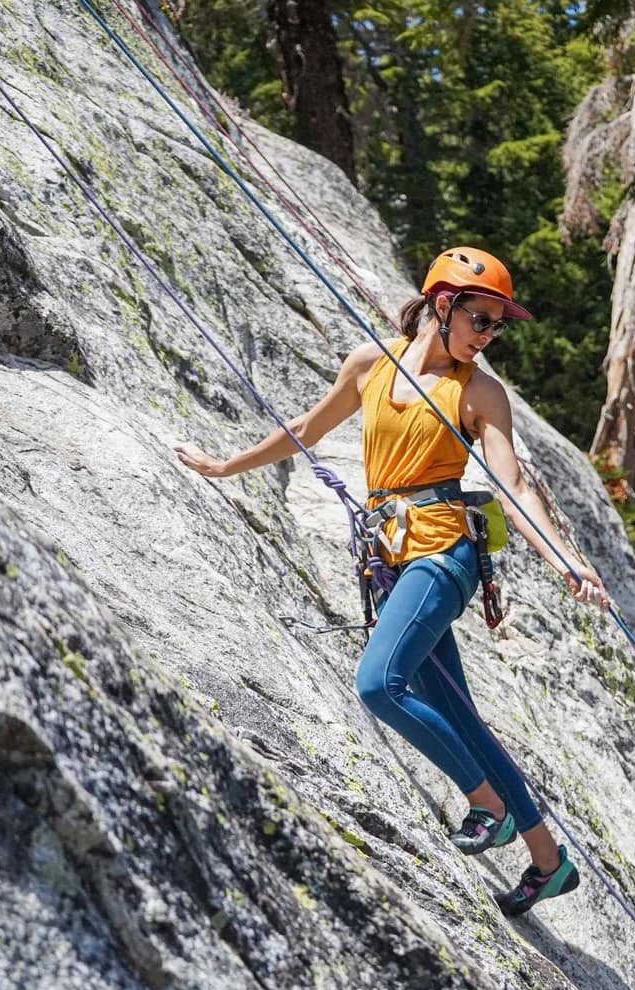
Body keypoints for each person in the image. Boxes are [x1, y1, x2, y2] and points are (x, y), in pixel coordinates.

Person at [174, 246, 607, 916]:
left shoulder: (479, 393)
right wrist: (228, 466)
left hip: (442, 554)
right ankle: (550, 862)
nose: (489, 335)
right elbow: (307, 428)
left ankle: (486, 805)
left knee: (379, 683)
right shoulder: (371, 363)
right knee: (458, 714)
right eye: (481, 319)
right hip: (390, 556)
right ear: (443, 304)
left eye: (497, 326)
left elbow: (514, 484)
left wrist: (564, 560)